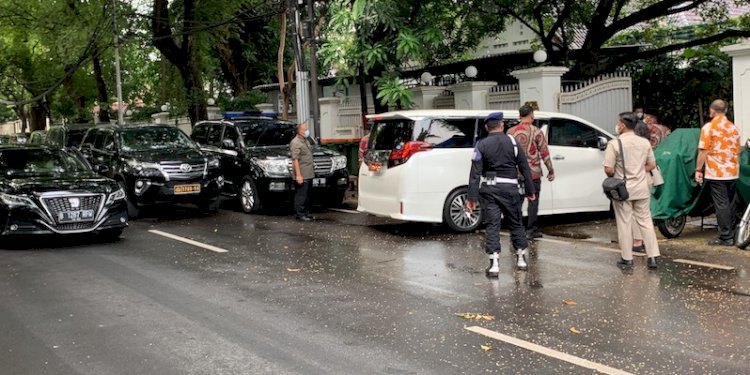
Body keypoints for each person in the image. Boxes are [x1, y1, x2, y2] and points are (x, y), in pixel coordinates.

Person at [466, 112, 536, 276]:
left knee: (492, 225)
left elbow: (475, 173)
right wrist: (530, 190)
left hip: (490, 190)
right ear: (502, 125)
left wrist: (471, 198)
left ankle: (494, 265)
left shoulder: (481, 145)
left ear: (486, 127)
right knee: (516, 223)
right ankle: (521, 260)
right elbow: (525, 168)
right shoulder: (513, 142)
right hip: (511, 189)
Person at [603, 112, 660, 269]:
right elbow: (652, 165)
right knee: (646, 221)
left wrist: (618, 172)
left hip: (623, 189)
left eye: (618, 122)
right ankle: (653, 257)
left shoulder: (615, 144)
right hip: (642, 187)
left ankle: (627, 258)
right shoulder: (644, 143)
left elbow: (608, 169)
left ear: (622, 125)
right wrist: (639, 171)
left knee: (625, 223)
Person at [695, 99, 741, 246]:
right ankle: (733, 232)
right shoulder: (734, 128)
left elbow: (704, 150)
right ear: (726, 111)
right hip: (733, 170)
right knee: (730, 203)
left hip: (716, 171)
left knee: (721, 204)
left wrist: (698, 169)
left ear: (712, 111)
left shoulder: (709, 128)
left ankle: (725, 236)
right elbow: (738, 151)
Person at [507, 105, 554, 239]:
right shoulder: (537, 132)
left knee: (517, 202)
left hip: (515, 173)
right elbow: (544, 153)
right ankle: (531, 230)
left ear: (519, 116)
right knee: (533, 202)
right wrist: (551, 170)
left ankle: (516, 230)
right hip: (533, 173)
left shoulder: (510, 132)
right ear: (532, 116)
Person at [290, 122, 315, 221]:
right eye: (305, 129)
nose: (307, 131)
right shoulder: (296, 142)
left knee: (308, 195)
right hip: (302, 173)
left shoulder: (305, 141)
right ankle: (299, 213)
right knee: (301, 195)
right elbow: (295, 159)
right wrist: (298, 175)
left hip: (309, 172)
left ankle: (306, 212)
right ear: (300, 131)